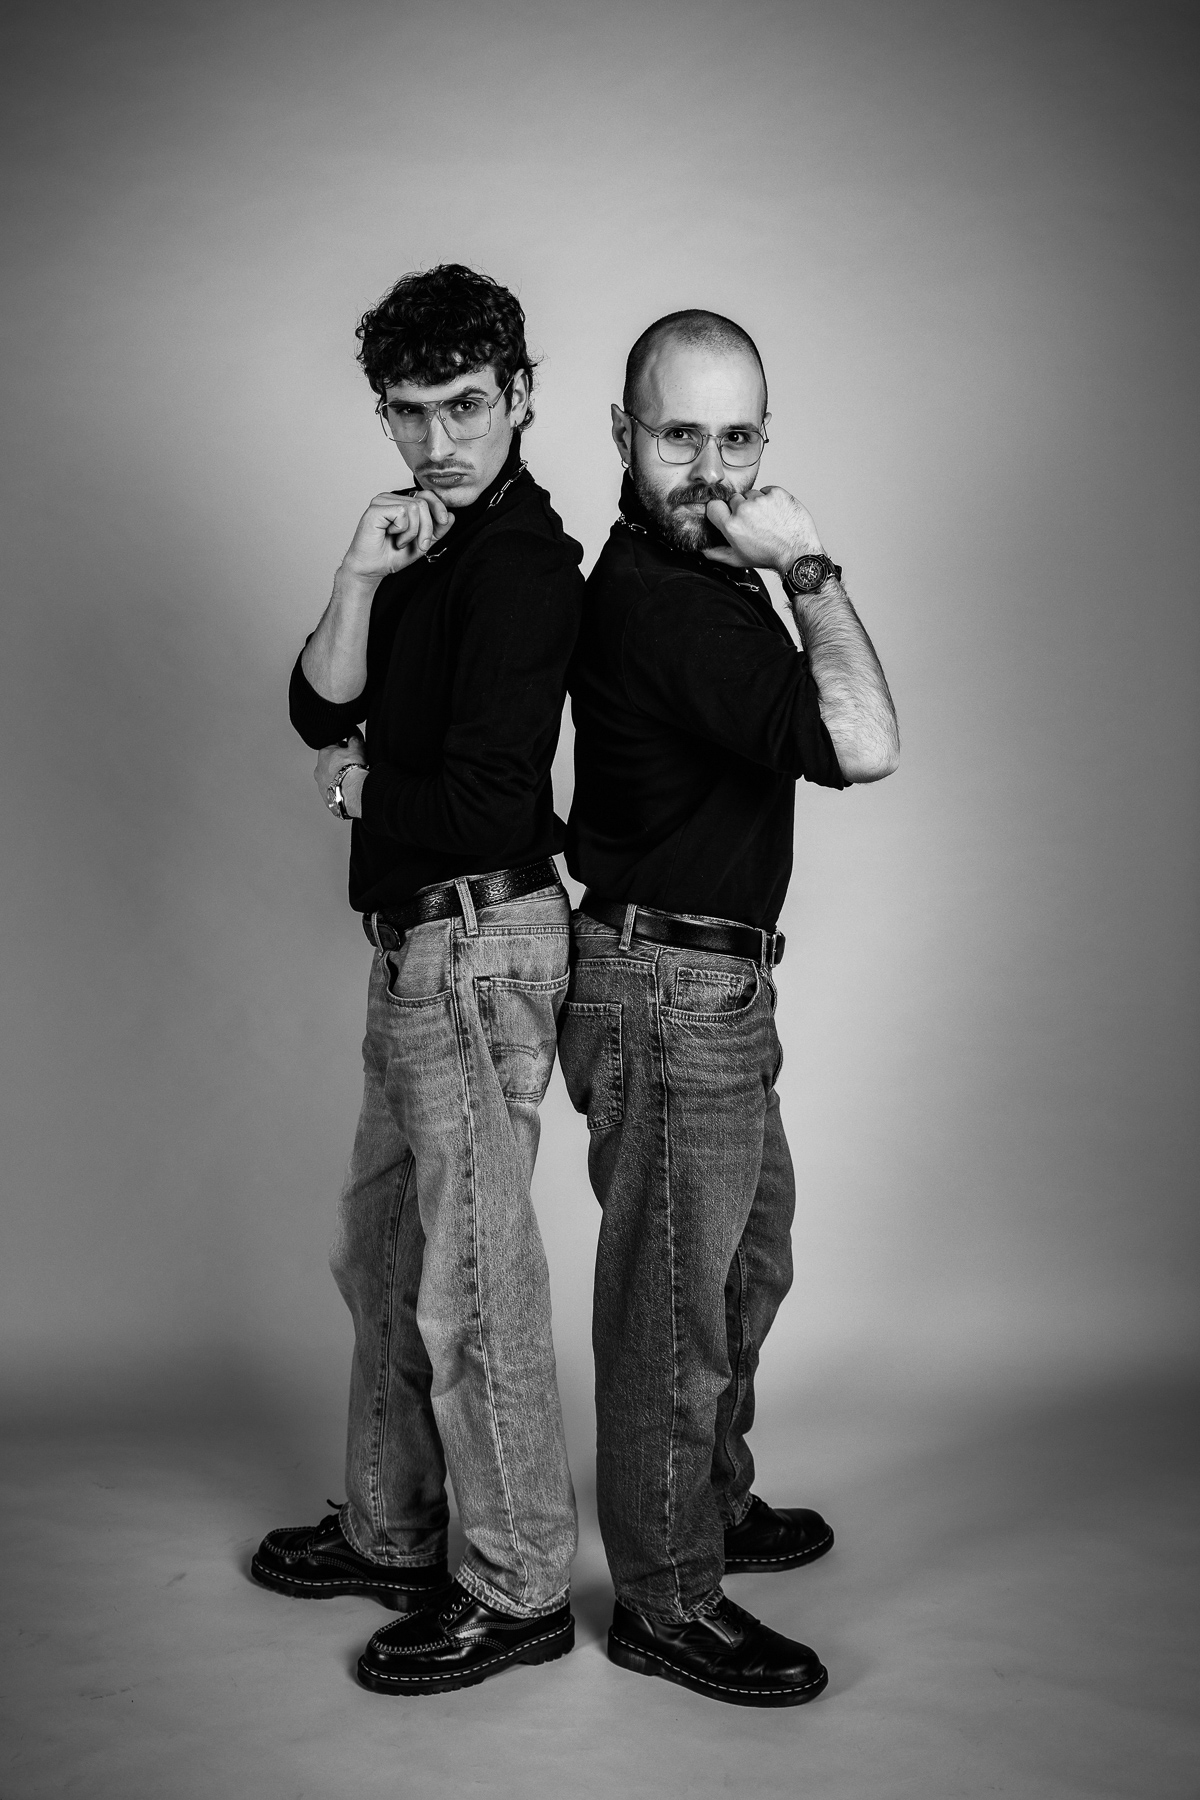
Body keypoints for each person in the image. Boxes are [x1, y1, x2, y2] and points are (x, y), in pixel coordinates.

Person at [559, 308, 899, 1708]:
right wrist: (808, 563)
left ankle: (710, 1500)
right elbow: (864, 744)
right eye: (678, 435)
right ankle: (667, 1598)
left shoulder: (698, 575)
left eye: (736, 436)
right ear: (623, 436)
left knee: (747, 1268)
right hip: (665, 991)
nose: (709, 469)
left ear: (766, 436)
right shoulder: (672, 600)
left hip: (711, 985)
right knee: (674, 1312)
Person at [253, 264, 584, 1697]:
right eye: (408, 412)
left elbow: (492, 802)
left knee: (469, 1280)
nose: (438, 440)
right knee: (386, 1252)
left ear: (521, 397)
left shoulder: (522, 565)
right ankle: (392, 1533)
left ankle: (516, 1585)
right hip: (419, 945)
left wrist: (361, 790)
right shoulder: (424, 546)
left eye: (465, 406)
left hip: (478, 939)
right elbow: (314, 703)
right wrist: (356, 575)